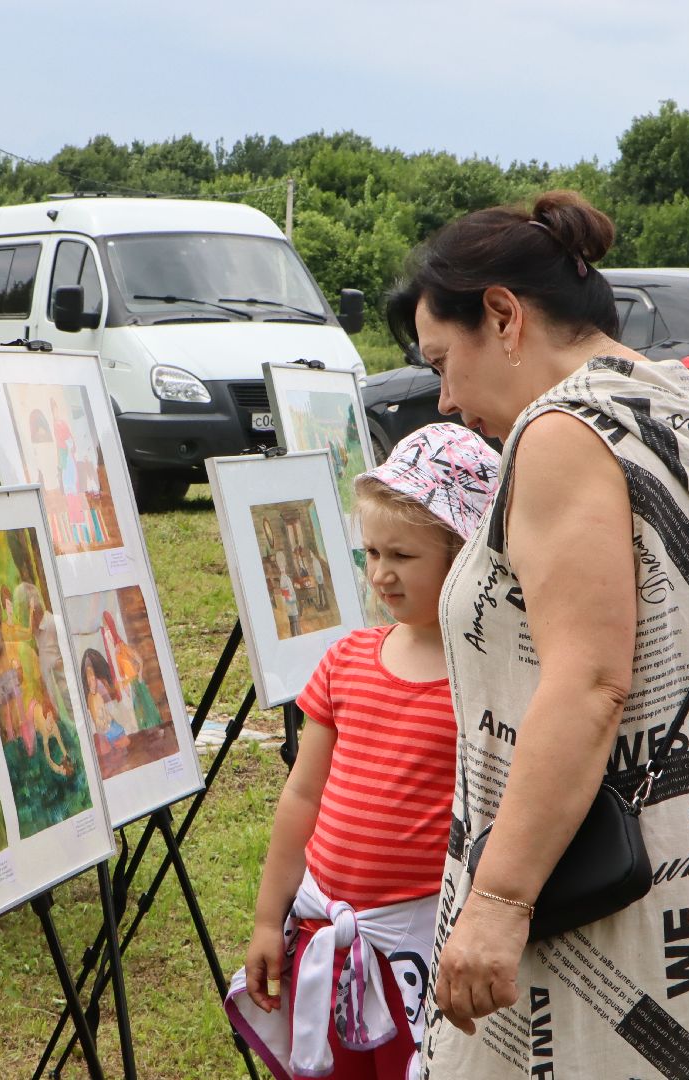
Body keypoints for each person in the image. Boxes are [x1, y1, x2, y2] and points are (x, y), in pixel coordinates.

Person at [387, 192, 689, 1078]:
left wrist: (499, 899)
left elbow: (589, 682)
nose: (447, 400)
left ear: (504, 315)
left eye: (444, 362)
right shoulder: (674, 403)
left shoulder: (563, 433)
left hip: (590, 898)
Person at [227, 422, 500, 1080]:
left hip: (420, 954)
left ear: (467, 553)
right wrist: (268, 920)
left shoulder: (488, 680)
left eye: (402, 555)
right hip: (325, 934)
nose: (380, 573)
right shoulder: (346, 659)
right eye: (371, 552)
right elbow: (303, 795)